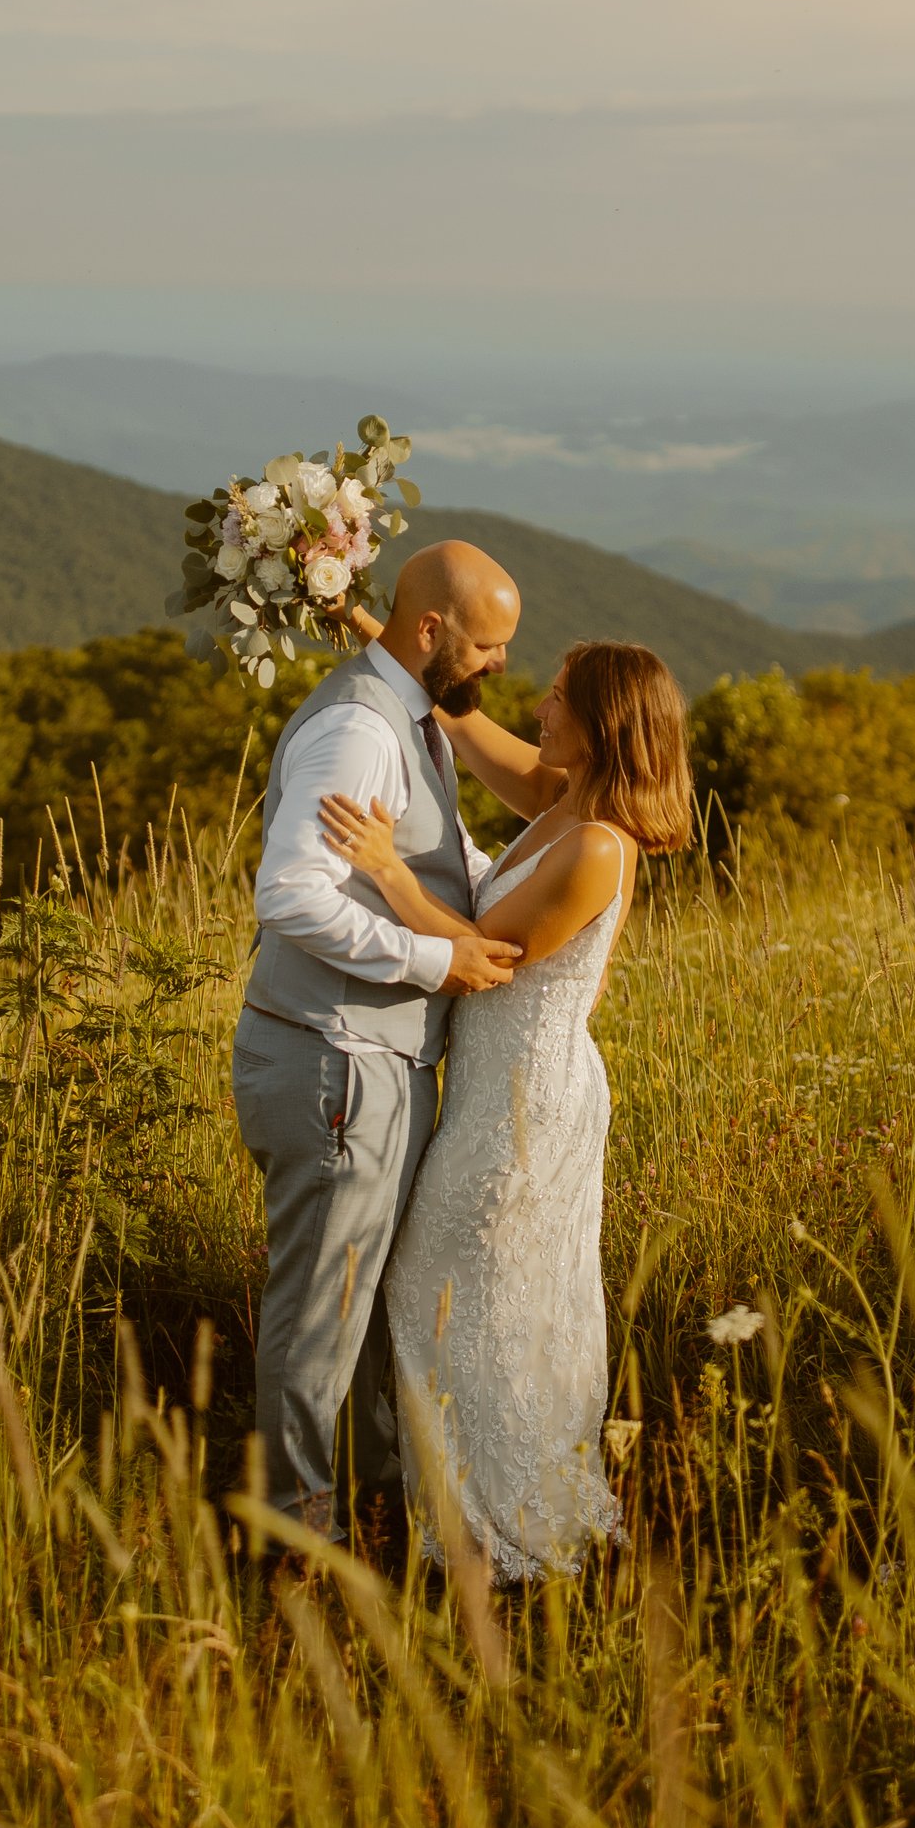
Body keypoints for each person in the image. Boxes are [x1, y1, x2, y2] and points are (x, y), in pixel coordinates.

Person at [319, 639, 692, 1580]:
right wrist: (374, 628)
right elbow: (464, 722)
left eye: (559, 698)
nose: (539, 707)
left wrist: (390, 874)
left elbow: (487, 957)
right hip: (495, 1086)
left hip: (532, 1097)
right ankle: (475, 1502)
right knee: (487, 1295)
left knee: (441, 1287)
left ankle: (502, 1517)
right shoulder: (565, 803)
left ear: (603, 723)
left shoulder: (598, 847)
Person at [231, 539, 526, 1541]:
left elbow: (426, 853)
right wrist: (437, 963)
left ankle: (358, 1512)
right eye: (486, 644)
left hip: (367, 1059)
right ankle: (294, 1542)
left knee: (355, 1313)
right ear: (430, 628)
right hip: (334, 1063)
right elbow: (290, 895)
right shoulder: (360, 727)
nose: (497, 664)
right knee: (319, 1319)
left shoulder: (412, 715)